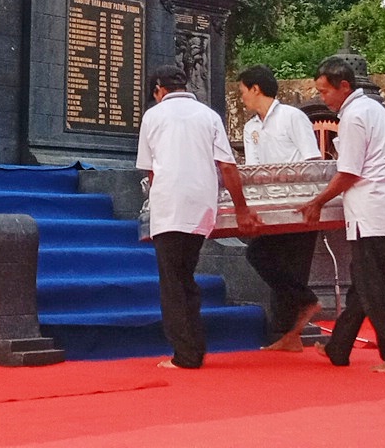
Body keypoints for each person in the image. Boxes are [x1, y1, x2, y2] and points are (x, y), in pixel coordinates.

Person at [299, 57, 385, 373]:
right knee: (364, 284)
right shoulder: (374, 110)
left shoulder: (353, 116)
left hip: (371, 212)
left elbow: (348, 172)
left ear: (344, 86)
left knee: (370, 287)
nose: (323, 98)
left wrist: (318, 201)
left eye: (325, 92)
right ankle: (339, 346)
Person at [138, 63, 257, 370]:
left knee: (172, 281)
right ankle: (194, 346)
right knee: (186, 275)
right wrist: (241, 207)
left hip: (169, 206)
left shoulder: (153, 116)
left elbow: (151, 170)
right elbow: (227, 166)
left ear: (159, 90)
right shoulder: (209, 115)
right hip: (202, 206)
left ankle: (185, 352)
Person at [236, 65, 324, 351]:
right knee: (259, 255)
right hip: (266, 204)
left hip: (299, 203)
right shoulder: (250, 128)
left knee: (293, 266)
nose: (242, 98)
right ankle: (296, 318)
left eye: (242, 91)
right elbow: (252, 170)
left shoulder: (292, 117)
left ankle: (291, 334)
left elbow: (312, 160)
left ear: (255, 89)